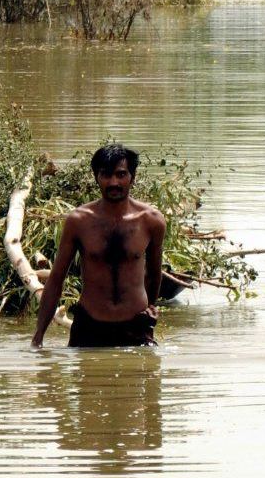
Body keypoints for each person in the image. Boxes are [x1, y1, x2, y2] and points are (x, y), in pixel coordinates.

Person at [31, 144, 165, 348]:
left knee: (143, 378)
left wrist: (151, 312)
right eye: (106, 175)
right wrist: (38, 337)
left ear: (132, 177)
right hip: (90, 325)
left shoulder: (151, 221)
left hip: (135, 325)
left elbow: (154, 275)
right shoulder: (79, 221)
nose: (114, 182)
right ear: (96, 177)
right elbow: (57, 279)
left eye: (121, 174)